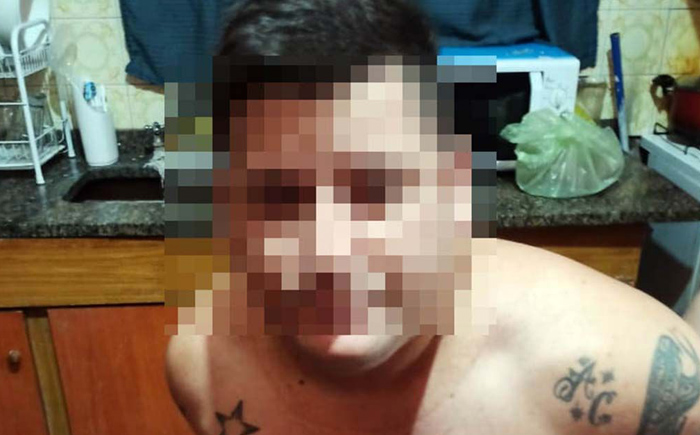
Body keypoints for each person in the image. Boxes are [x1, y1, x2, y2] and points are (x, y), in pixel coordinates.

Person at [165, 0, 700, 434]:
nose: (328, 249)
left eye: (377, 189)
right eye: (278, 196)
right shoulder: (204, 370)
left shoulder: (618, 372)